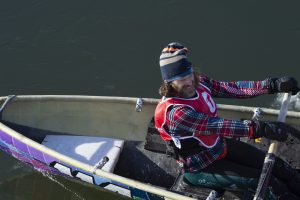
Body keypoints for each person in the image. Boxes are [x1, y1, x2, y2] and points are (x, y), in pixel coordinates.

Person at [154, 42, 300, 199]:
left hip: (219, 147)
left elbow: (233, 88)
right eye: (181, 79)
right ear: (169, 82)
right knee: (270, 183)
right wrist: (259, 128)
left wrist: (271, 85)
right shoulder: (176, 112)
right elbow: (217, 126)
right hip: (202, 167)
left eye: (189, 73)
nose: (189, 81)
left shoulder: (199, 82)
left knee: (280, 167)